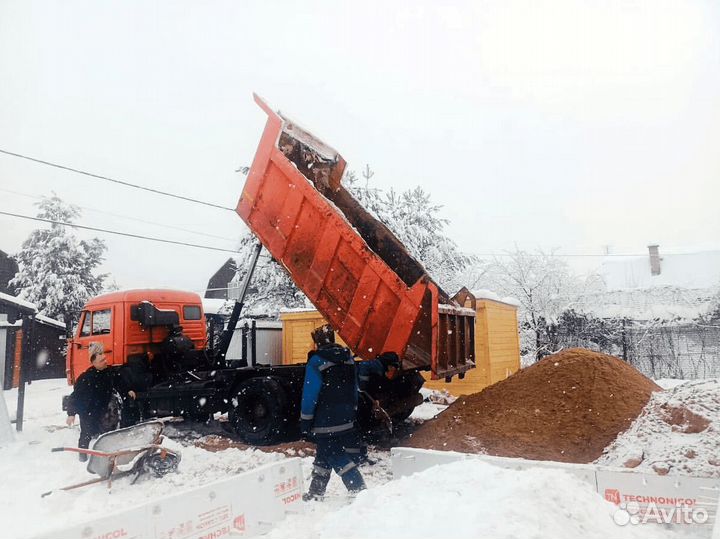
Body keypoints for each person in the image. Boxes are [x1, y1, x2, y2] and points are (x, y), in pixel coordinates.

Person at [300, 324, 397, 500]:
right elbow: (355, 388)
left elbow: (310, 394)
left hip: (325, 418)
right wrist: (351, 411)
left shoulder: (317, 361)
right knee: (324, 453)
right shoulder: (347, 358)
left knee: (335, 455)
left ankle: (359, 490)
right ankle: (316, 492)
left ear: (317, 343)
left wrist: (305, 420)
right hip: (345, 417)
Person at [65, 342, 137, 460]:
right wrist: (71, 414)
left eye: (104, 359)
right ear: (93, 363)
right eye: (101, 361)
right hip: (88, 410)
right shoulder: (85, 378)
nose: (105, 362)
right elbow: (75, 396)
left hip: (102, 409)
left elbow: (120, 383)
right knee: (86, 434)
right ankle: (82, 458)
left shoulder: (109, 372)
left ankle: (106, 458)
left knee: (106, 435)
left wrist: (128, 390)